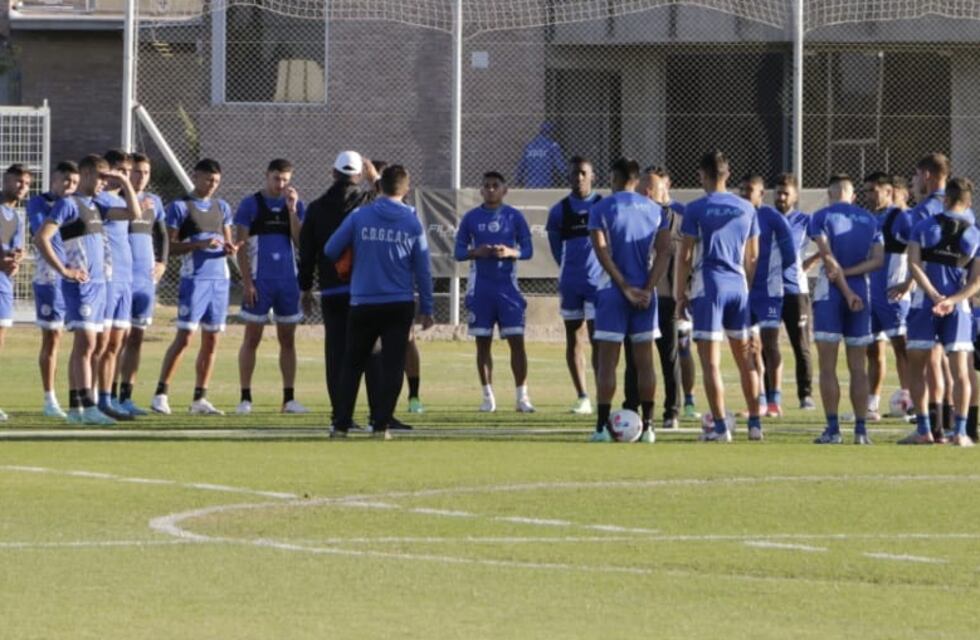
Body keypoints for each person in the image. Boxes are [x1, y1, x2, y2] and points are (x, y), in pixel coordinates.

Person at [324, 165, 434, 439]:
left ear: (379, 187)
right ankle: (381, 425)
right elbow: (423, 269)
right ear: (405, 189)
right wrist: (428, 307)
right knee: (393, 364)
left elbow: (330, 249)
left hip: (362, 301)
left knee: (352, 362)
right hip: (398, 302)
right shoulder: (411, 222)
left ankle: (341, 424)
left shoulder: (360, 216)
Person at [36, 155, 134, 425]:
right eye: (102, 177)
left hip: (101, 285)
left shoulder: (97, 206)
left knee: (92, 346)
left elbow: (133, 215)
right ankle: (88, 406)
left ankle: (79, 408)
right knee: (86, 343)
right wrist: (64, 270)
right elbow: (41, 237)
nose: (105, 183)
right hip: (80, 285)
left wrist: (125, 182)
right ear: (88, 174)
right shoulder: (68, 204)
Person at [674, 150, 761, 443]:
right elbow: (754, 256)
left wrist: (679, 294)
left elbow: (685, 255)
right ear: (728, 173)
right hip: (739, 287)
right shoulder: (747, 208)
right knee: (746, 358)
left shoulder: (696, 208)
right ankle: (755, 424)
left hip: (709, 286)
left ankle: (721, 427)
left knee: (711, 362)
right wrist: (748, 289)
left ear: (702, 175)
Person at [299, 151, 388, 429]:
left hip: (331, 290)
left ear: (333, 173)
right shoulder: (368, 202)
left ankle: (341, 416)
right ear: (359, 174)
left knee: (337, 354)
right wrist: (376, 179)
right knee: (372, 354)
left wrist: (305, 289)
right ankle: (377, 415)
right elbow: (396, 203)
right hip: (364, 291)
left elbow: (307, 252)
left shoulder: (316, 207)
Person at [588, 158, 672, 443]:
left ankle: (601, 428)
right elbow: (664, 253)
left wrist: (623, 286)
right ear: (636, 180)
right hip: (645, 294)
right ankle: (648, 427)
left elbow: (601, 251)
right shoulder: (656, 210)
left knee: (607, 362)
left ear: (614, 178)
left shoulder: (600, 207)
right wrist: (647, 288)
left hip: (612, 292)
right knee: (645, 362)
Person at [152, 159, 238, 415]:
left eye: (216, 182)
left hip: (219, 281)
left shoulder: (222, 207)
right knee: (185, 338)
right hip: (195, 280)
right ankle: (161, 394)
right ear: (196, 177)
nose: (211, 185)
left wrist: (230, 248)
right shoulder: (179, 207)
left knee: (212, 340)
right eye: (208, 180)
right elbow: (169, 246)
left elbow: (228, 241)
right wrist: (198, 245)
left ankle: (200, 398)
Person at [900, 177, 980, 446]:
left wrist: (934, 295)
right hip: (958, 307)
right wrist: (953, 300)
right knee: (961, 371)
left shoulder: (923, 226)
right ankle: (960, 432)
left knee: (917, 367)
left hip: (925, 302)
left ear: (945, 199)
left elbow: (913, 265)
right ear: (968, 202)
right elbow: (976, 282)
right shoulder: (975, 233)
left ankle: (924, 429)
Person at [809, 174, 883, 445]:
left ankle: (833, 429)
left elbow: (827, 258)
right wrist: (852, 280)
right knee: (858, 367)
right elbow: (877, 260)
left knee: (827, 366)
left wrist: (845, 287)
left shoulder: (821, 217)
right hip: (862, 294)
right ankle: (861, 431)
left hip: (832, 294)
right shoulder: (869, 220)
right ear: (852, 196)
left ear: (830, 194)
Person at [455, 171, 534, 413]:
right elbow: (458, 252)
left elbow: (528, 249)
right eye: (486, 186)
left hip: (508, 290)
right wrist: (475, 252)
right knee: (483, 345)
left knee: (517, 343)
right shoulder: (471, 218)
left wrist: (511, 252)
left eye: (495, 186)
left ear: (504, 190)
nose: (490, 189)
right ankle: (487, 397)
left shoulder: (514, 217)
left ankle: (522, 398)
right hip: (481, 290)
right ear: (481, 190)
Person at [234, 159, 309, 415]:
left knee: (287, 340)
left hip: (287, 282)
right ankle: (245, 397)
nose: (281, 184)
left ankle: (288, 399)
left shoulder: (296, 205)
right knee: (251, 338)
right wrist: (247, 283)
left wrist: (291, 211)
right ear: (267, 176)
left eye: (286, 179)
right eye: (277, 179)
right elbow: (240, 247)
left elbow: (301, 243)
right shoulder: (250, 204)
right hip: (259, 282)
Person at [545, 156, 602, 415]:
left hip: (598, 284)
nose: (578, 178)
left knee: (598, 339)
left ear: (592, 176)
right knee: (574, 338)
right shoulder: (559, 211)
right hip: (571, 284)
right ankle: (582, 397)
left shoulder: (603, 206)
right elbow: (557, 250)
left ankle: (603, 393)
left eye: (582, 173)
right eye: (574, 173)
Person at [115, 152, 169, 415]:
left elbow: (162, 234)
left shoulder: (155, 201)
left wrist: (162, 262)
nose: (141, 177)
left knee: (136, 337)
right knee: (116, 339)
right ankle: (107, 395)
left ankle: (127, 396)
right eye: (136, 172)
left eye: (146, 173)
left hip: (145, 280)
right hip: (122, 277)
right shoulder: (117, 200)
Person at [633, 165, 684, 430]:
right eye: (644, 187)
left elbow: (685, 257)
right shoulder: (637, 215)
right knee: (635, 356)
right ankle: (631, 408)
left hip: (667, 296)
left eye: (653, 187)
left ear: (666, 187)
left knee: (669, 355)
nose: (647, 192)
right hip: (640, 295)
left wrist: (684, 294)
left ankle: (672, 410)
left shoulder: (678, 216)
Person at [26, 161, 78, 418]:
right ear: (54, 181)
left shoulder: (76, 204)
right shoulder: (39, 203)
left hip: (77, 279)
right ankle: (50, 398)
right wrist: (62, 270)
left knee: (85, 338)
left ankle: (83, 397)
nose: (70, 186)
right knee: (53, 337)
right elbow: (40, 234)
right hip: (50, 278)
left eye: (75, 182)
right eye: (65, 180)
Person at [742, 174, 797, 418]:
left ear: (761, 193)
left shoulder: (772, 218)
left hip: (769, 293)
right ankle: (759, 400)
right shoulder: (737, 215)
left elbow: (790, 256)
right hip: (744, 293)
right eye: (742, 190)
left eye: (749, 190)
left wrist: (772, 275)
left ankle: (775, 400)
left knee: (771, 344)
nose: (744, 194)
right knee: (750, 347)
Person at [93, 149, 140, 421]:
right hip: (108, 278)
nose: (123, 175)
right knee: (100, 343)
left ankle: (107, 398)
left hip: (126, 278)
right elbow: (132, 214)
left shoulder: (122, 196)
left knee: (116, 344)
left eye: (126, 170)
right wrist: (122, 183)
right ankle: (93, 399)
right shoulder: (99, 199)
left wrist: (125, 185)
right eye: (118, 170)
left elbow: (133, 213)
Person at [863, 172, 912, 421]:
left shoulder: (901, 217)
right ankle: (871, 404)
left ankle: (909, 401)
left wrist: (909, 282)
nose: (870, 195)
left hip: (894, 295)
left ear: (888, 190)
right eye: (868, 191)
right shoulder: (871, 219)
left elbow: (919, 250)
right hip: (873, 295)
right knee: (873, 350)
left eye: (873, 190)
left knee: (902, 349)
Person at [773, 173, 816, 409]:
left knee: (801, 345)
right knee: (767, 344)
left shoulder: (804, 220)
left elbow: (826, 245)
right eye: (778, 193)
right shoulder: (766, 218)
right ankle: (771, 396)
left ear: (795, 196)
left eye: (785, 193)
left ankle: (805, 395)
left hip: (795, 291)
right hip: (769, 291)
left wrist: (812, 260)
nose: (780, 197)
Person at [0, 164, 30, 421]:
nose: (22, 186)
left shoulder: (16, 216)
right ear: (6, 181)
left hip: (4, 285)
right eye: (18, 181)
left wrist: (17, 259)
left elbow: (16, 249)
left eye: (27, 183)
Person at [514, 122, 565, 188]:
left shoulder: (530, 145)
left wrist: (518, 182)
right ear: (552, 132)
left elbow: (521, 166)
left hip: (529, 184)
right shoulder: (552, 146)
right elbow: (560, 166)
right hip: (546, 183)